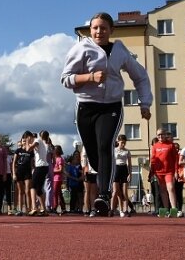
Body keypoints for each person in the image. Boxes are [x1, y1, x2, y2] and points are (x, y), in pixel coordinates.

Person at [61, 12, 152, 216]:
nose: (99, 31)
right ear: (90, 30)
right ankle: (101, 178)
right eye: (95, 28)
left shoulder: (119, 51)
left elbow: (140, 76)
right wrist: (90, 76)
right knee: (94, 155)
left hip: (111, 106)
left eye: (103, 28)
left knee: (105, 146)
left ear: (111, 30)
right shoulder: (82, 48)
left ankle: (103, 194)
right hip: (86, 106)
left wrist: (145, 103)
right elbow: (66, 79)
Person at [150, 129, 179, 217]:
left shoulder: (170, 145)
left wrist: (176, 171)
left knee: (170, 188)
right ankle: (166, 210)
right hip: (159, 172)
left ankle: (173, 209)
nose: (160, 136)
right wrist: (152, 172)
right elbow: (153, 160)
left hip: (169, 172)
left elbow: (176, 159)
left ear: (165, 135)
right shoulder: (155, 146)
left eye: (162, 134)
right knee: (162, 191)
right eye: (158, 135)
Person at [12, 135, 33, 216]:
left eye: (26, 141)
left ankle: (28, 209)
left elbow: (32, 163)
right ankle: (20, 209)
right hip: (19, 172)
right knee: (20, 191)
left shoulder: (30, 151)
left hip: (27, 173)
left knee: (27, 191)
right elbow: (14, 162)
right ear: (21, 142)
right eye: (23, 141)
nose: (25, 143)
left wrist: (33, 171)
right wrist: (14, 173)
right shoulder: (18, 150)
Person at [111, 134, 132, 217]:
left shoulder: (127, 151)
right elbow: (111, 162)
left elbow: (129, 164)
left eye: (124, 143)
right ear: (118, 141)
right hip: (116, 169)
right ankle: (112, 209)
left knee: (125, 192)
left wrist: (130, 174)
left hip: (124, 169)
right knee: (115, 191)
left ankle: (126, 210)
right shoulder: (114, 150)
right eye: (121, 142)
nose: (123, 144)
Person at [51, 144, 65, 214]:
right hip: (53, 178)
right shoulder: (54, 159)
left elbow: (60, 170)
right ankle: (63, 207)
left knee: (55, 193)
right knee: (58, 193)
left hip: (57, 178)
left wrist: (52, 171)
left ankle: (55, 206)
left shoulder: (59, 159)